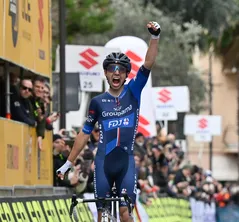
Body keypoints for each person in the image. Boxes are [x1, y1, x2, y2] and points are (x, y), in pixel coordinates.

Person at [56, 21, 161, 222]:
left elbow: (148, 63)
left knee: (125, 215)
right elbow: (84, 134)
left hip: (126, 163)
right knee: (102, 214)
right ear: (105, 73)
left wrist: (154, 37)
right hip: (103, 162)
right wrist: (69, 162)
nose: (116, 72)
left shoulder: (133, 91)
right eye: (111, 69)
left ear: (125, 74)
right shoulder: (98, 102)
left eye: (121, 69)